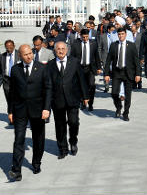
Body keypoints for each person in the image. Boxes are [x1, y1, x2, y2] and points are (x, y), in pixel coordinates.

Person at [7, 44, 52, 181]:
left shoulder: (42, 68)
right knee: (19, 139)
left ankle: (36, 162)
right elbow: (12, 92)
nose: (28, 56)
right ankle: (16, 169)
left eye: (30, 54)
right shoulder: (15, 70)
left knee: (38, 138)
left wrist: (46, 108)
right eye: (25, 54)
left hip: (38, 110)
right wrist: (10, 111)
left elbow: (48, 89)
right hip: (20, 110)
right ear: (20, 56)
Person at [47, 42, 89, 159]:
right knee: (60, 126)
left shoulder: (74, 62)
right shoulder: (50, 65)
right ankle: (62, 148)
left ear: (66, 50)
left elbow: (81, 80)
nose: (61, 51)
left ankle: (73, 141)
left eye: (63, 49)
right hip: (57, 100)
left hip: (73, 98)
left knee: (73, 122)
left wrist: (85, 96)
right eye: (58, 49)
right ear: (55, 51)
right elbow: (48, 84)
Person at [104, 28, 141, 121]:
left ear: (126, 34)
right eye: (119, 34)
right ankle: (119, 107)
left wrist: (138, 74)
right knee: (114, 93)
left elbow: (136, 61)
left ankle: (126, 113)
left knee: (128, 95)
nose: (120, 36)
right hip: (117, 72)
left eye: (122, 34)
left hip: (128, 73)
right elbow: (108, 61)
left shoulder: (131, 46)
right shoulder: (114, 45)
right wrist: (106, 74)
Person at [70, 29, 102, 111]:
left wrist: (99, 67)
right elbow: (72, 57)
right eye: (83, 37)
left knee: (91, 85)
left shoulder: (93, 43)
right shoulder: (76, 44)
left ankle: (90, 103)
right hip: (79, 68)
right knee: (81, 86)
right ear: (80, 36)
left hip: (90, 68)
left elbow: (96, 56)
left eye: (87, 37)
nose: (85, 39)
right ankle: (83, 102)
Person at [1, 40, 20, 114]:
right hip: (7, 80)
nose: (9, 49)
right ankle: (11, 116)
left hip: (17, 80)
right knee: (9, 99)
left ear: (14, 46)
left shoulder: (19, 54)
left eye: (10, 47)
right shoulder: (2, 56)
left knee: (18, 99)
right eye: (7, 48)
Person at [98, 24, 116, 92]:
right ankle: (106, 85)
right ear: (108, 30)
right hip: (105, 56)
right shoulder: (102, 36)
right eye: (112, 30)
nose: (113, 31)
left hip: (114, 56)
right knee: (106, 71)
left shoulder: (116, 36)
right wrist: (100, 58)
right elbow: (99, 48)